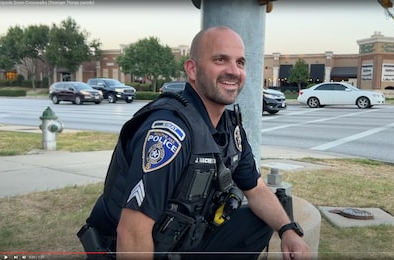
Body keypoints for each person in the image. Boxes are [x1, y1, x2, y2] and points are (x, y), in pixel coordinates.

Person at [77, 26, 311, 260]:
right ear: (192, 69)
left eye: (240, 62)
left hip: (183, 239)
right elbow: (132, 232)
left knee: (258, 220)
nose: (234, 71)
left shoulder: (230, 128)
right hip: (139, 248)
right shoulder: (169, 132)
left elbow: (256, 189)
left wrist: (288, 230)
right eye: (220, 59)